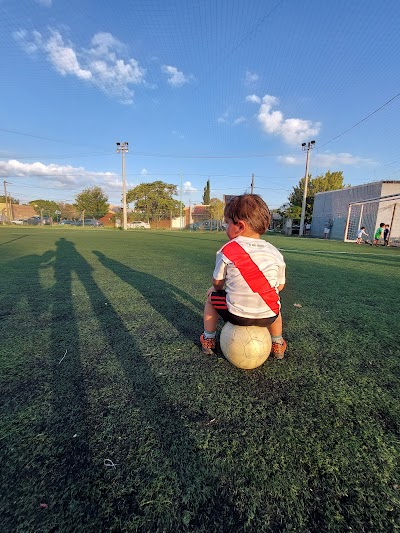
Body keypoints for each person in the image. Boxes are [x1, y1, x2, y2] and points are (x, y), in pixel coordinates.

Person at [200, 194, 287, 359]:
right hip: (269, 316)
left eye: (227, 223)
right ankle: (277, 344)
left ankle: (208, 340)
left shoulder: (228, 249)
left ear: (239, 226)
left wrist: (215, 288)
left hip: (237, 315)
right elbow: (280, 286)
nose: (225, 227)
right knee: (275, 303)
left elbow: (217, 283)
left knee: (212, 297)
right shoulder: (274, 252)